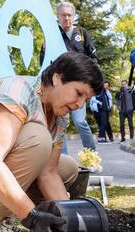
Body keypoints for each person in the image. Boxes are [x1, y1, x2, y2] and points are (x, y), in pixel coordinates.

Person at [0, 51, 103, 232]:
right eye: (78, 93)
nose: (80, 105)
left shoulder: (59, 118)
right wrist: (32, 217)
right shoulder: (18, 91)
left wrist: (70, 223)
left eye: (86, 99)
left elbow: (48, 174)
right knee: (38, 139)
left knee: (67, 168)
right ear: (57, 77)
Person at [42, 1, 99, 152]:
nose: (66, 18)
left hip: (79, 86)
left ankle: (91, 154)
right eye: (63, 15)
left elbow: (94, 59)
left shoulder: (82, 33)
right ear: (58, 16)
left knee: (80, 121)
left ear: (73, 16)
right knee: (59, 122)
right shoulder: (52, 34)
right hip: (60, 86)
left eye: (69, 15)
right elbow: (43, 59)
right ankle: (62, 157)